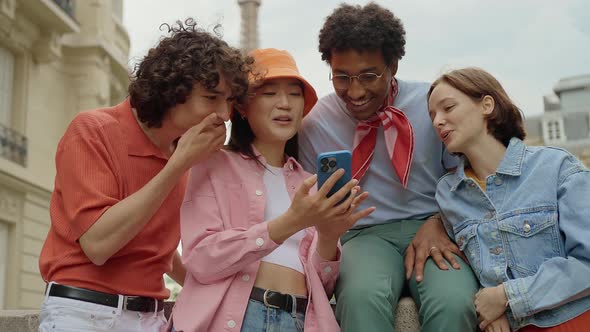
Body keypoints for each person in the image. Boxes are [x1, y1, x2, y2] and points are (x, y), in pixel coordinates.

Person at [37, 19, 252, 332]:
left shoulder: (185, 154)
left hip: (151, 318)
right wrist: (178, 165)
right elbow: (98, 244)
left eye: (229, 101)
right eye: (211, 97)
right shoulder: (92, 130)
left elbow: (159, 251)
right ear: (172, 90)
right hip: (82, 313)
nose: (223, 114)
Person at [298, 3, 480, 331]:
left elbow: (465, 176)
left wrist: (441, 220)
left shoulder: (431, 103)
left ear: (393, 65)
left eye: (369, 76)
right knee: (359, 299)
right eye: (342, 77)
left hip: (435, 224)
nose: (354, 91)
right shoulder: (315, 124)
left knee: (456, 303)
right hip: (362, 235)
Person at [169, 48, 374, 332]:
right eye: (268, 93)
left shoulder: (310, 182)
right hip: (237, 320)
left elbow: (323, 287)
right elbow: (202, 259)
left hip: (301, 320)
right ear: (241, 106)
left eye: (294, 93)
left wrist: (329, 236)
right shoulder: (211, 165)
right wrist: (290, 222)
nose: (284, 104)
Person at [429, 67, 590, 332]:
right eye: (432, 115)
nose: (437, 121)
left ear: (487, 105)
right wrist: (492, 308)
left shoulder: (556, 167)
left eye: (448, 108)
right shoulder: (448, 194)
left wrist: (507, 298)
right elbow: (477, 266)